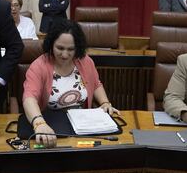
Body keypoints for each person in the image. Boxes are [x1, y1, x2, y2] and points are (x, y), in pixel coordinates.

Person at [23, 19, 120, 147]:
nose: (64, 54)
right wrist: (39, 123)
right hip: (51, 125)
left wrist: (105, 102)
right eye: (60, 48)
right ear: (51, 44)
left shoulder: (85, 62)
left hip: (83, 126)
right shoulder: (39, 66)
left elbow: (96, 84)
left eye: (70, 49)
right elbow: (29, 97)